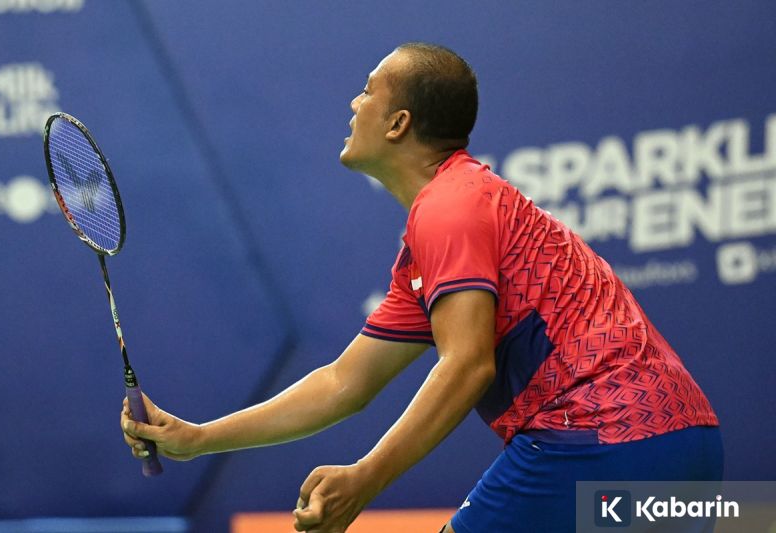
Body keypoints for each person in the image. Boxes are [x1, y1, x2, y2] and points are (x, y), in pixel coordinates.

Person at [121, 43, 722, 532]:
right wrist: (199, 439)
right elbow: (344, 383)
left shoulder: (451, 207)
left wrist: (368, 476)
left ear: (399, 122)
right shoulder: (443, 229)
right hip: (685, 444)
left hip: (598, 439)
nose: (354, 103)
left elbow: (466, 367)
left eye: (368, 90)